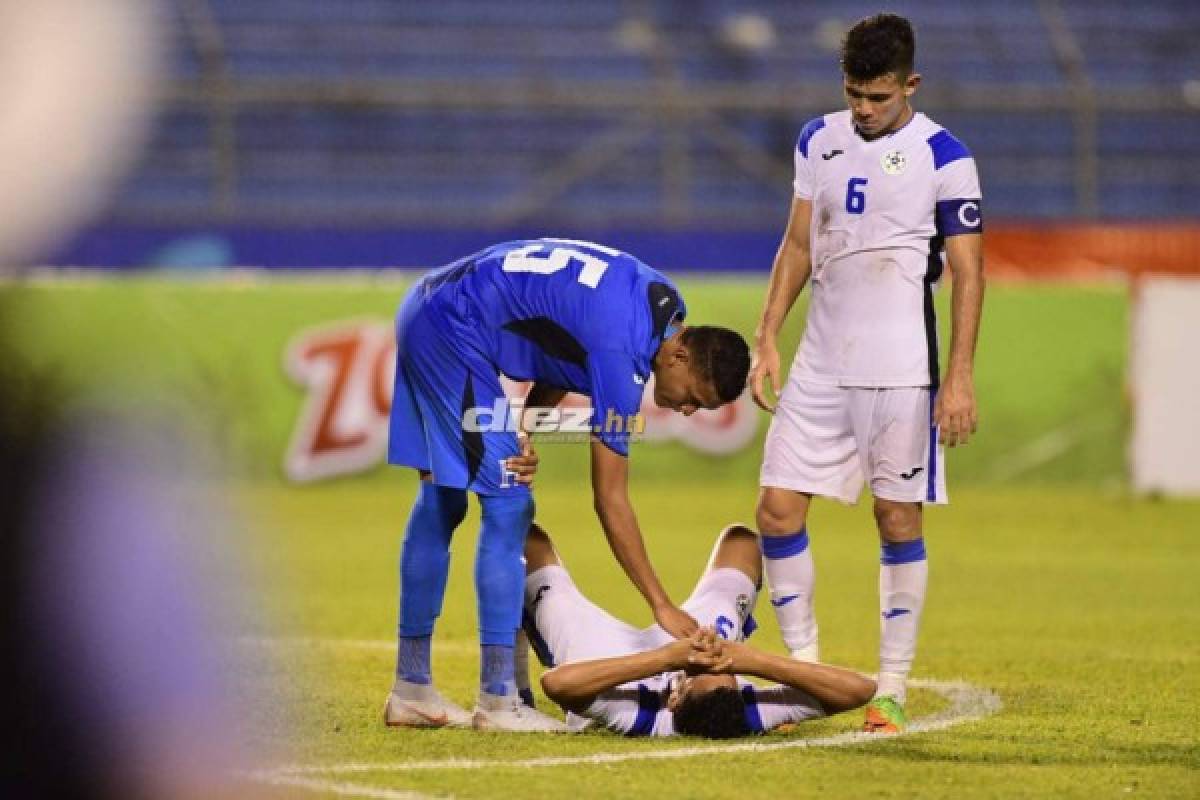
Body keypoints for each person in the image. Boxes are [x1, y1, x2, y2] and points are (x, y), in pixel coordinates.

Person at [384, 238, 752, 732]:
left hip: (428, 305)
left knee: (442, 499)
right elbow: (610, 500)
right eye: (693, 398)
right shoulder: (624, 353)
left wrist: (525, 429)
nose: (687, 411)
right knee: (510, 505)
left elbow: (562, 350)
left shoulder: (663, 308)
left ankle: (411, 688)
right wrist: (661, 604)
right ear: (680, 356)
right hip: (454, 327)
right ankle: (498, 700)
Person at [748, 14, 985, 733]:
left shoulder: (945, 157)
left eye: (878, 96)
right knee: (776, 509)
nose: (863, 108)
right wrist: (767, 334)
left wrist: (960, 376)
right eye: (853, 93)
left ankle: (891, 689)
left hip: (900, 367)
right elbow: (798, 243)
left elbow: (969, 273)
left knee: (896, 517)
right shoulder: (816, 139)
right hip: (822, 360)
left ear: (910, 84)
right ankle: (805, 675)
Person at [523, 522, 876, 738]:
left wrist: (665, 658)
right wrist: (747, 659)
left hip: (608, 661)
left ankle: (509, 686)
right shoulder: (745, 709)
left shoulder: (635, 714)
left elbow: (558, 684)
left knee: (527, 541)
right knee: (742, 542)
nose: (709, 657)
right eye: (722, 666)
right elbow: (861, 689)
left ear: (674, 699)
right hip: (683, 642)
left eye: (697, 668)